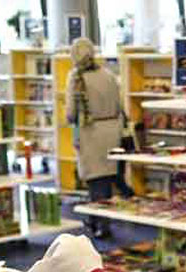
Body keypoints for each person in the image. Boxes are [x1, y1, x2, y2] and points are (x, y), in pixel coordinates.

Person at [65, 38, 132, 239]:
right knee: (110, 175)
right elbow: (121, 105)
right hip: (113, 129)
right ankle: (105, 219)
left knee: (96, 181)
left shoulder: (76, 78)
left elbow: (71, 112)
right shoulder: (109, 75)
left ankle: (101, 223)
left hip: (90, 132)